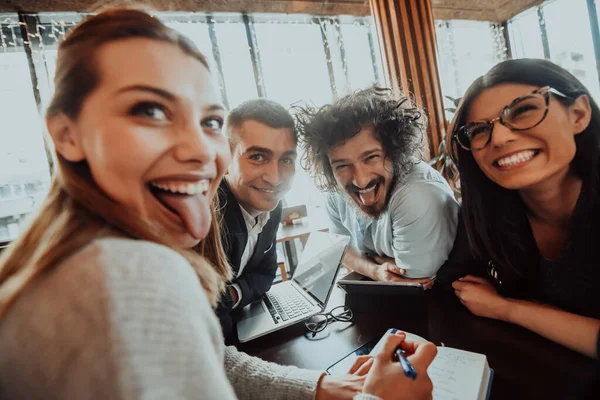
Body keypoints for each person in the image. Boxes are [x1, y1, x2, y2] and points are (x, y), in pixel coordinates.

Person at [0, 9, 438, 399]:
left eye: (208, 120)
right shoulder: (127, 277)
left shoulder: (90, 257)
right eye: (150, 111)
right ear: (65, 134)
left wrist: (320, 387)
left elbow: (210, 358)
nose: (200, 150)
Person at [438, 58, 600, 359]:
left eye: (523, 110)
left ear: (578, 114)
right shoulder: (486, 213)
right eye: (479, 130)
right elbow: (454, 280)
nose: (499, 138)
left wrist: (507, 309)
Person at [296, 87, 459, 286]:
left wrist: (363, 261)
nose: (360, 180)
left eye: (371, 157)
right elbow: (340, 251)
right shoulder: (336, 190)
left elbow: (412, 285)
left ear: (395, 153)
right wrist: (376, 269)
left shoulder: (418, 195)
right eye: (343, 165)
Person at [216, 99, 296, 341]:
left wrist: (232, 295)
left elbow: (266, 274)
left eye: (286, 160)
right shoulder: (206, 213)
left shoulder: (273, 206)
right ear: (226, 159)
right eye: (258, 157)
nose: (274, 178)